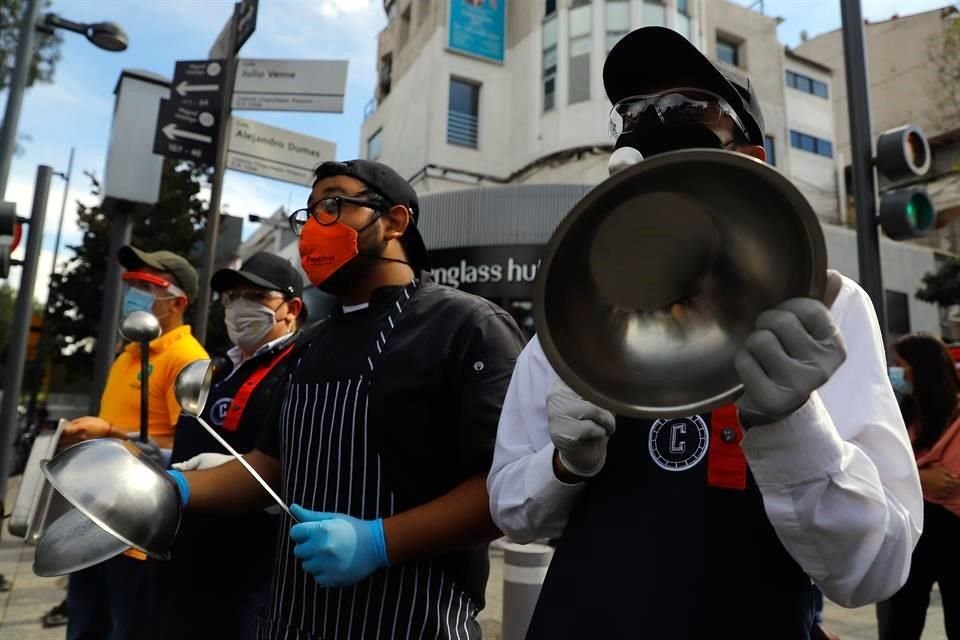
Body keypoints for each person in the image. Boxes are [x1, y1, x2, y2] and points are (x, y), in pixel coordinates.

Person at [487, 27, 923, 639]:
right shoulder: (578, 309)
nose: (652, 125)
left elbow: (876, 570)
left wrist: (792, 425)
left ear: (751, 159)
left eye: (689, 108)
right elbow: (511, 511)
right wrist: (563, 466)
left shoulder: (821, 303)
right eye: (632, 113)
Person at [167, 159, 526, 639]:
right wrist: (169, 490)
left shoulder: (468, 325)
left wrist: (378, 542)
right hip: (291, 621)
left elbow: (505, 488)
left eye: (333, 205)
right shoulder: (309, 344)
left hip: (413, 622)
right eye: (309, 213)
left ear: (395, 222)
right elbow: (268, 468)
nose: (315, 227)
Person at [135, 251, 305, 640]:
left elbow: (302, 473)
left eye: (256, 297)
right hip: (178, 559)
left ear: (291, 307)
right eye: (232, 297)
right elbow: (190, 451)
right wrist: (158, 457)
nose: (239, 307)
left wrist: (238, 478)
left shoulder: (301, 371)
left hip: (245, 575)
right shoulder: (217, 368)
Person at [59, 245, 208, 640]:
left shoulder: (187, 359)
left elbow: (189, 452)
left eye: (147, 284)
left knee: (126, 629)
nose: (134, 294)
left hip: (136, 535)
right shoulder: (130, 353)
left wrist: (110, 436)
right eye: (132, 284)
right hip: (94, 519)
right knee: (84, 626)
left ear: (177, 301)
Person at [878, 333, 960, 639]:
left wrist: (907, 474)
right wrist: (922, 475)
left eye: (900, 365)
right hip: (911, 527)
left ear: (922, 369)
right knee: (902, 621)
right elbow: (877, 464)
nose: (894, 372)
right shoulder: (900, 413)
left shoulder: (954, 415)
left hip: (951, 527)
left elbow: (949, 484)